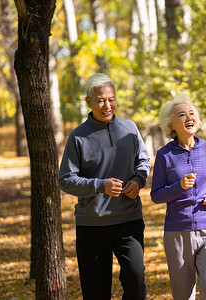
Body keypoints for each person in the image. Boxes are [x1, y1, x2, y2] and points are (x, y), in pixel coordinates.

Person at [58, 73, 150, 300]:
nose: (107, 105)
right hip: (92, 224)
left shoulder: (130, 128)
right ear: (88, 102)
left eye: (111, 99)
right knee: (96, 292)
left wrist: (138, 181)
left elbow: (144, 161)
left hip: (128, 220)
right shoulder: (78, 137)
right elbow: (66, 179)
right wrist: (100, 185)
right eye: (101, 100)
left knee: (136, 278)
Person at [150, 94, 206, 300]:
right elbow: (156, 195)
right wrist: (179, 186)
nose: (188, 117)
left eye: (191, 113)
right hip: (178, 231)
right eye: (182, 115)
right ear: (171, 125)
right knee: (184, 295)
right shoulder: (164, 155)